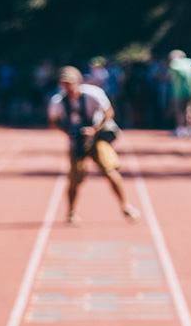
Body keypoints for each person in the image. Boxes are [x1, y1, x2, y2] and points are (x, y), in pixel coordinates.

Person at [47, 65, 139, 224]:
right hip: (76, 142)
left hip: (97, 137)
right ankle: (71, 212)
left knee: (110, 169)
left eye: (70, 82)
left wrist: (95, 130)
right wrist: (68, 132)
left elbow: (109, 112)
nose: (67, 86)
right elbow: (53, 121)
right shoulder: (58, 101)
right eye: (64, 83)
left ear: (79, 82)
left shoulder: (93, 94)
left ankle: (126, 206)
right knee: (75, 179)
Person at [167, 49, 191, 137]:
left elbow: (169, 77)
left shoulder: (174, 64)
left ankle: (180, 129)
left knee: (179, 111)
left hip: (178, 92)